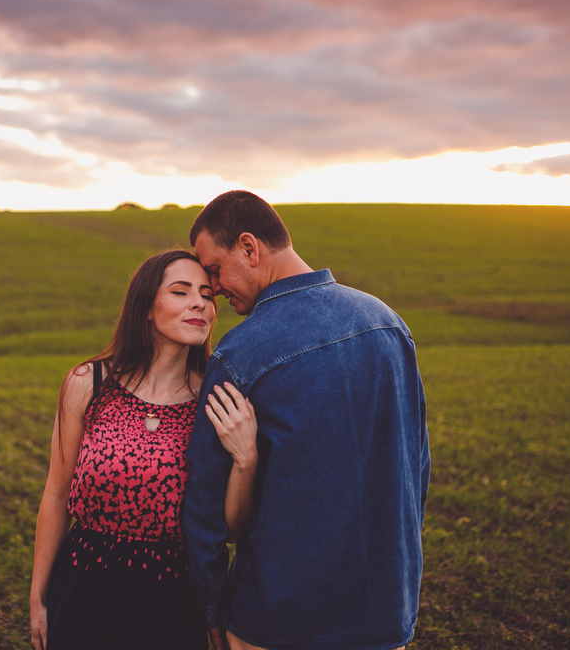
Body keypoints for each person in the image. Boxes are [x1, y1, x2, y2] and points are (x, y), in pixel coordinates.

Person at [183, 191, 431, 650]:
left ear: (249, 247)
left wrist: (212, 611)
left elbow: (204, 510)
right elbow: (416, 469)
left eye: (215, 269)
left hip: (277, 623)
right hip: (384, 613)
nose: (212, 287)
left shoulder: (240, 354)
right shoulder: (388, 323)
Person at [30, 249, 259, 650]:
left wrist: (246, 460)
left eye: (207, 295)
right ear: (146, 308)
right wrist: (39, 596)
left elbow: (231, 529)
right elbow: (57, 493)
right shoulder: (89, 383)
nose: (199, 304)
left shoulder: (213, 401)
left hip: (170, 597)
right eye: (180, 291)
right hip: (82, 582)